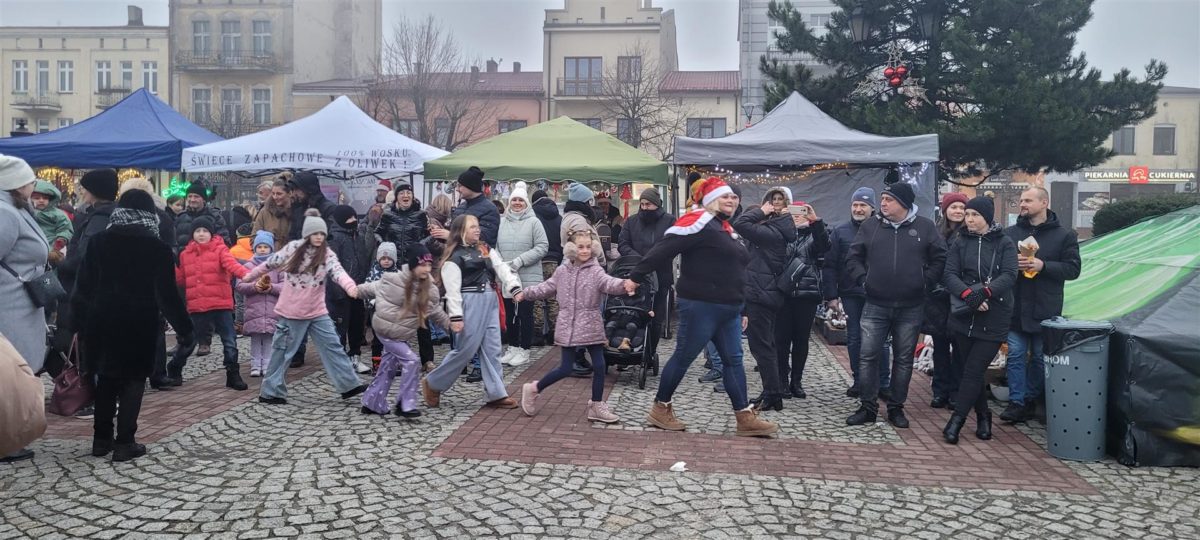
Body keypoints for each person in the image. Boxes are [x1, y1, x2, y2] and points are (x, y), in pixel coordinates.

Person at [631, 177, 778, 437]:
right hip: (701, 305)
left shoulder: (724, 228)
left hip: (729, 307)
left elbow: (737, 269)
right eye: (725, 196)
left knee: (733, 361)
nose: (731, 200)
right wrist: (635, 276)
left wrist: (742, 307)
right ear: (710, 200)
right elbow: (663, 249)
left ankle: (744, 417)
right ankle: (660, 408)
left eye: (734, 196)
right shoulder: (697, 223)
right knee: (683, 357)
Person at [71, 189, 194, 462]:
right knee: (133, 380)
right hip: (139, 321)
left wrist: (78, 323)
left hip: (101, 319)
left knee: (106, 377)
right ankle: (125, 442)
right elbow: (168, 296)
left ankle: (101, 439)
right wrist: (185, 330)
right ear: (150, 215)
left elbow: (82, 288)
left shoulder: (99, 242)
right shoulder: (157, 248)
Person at [845, 182, 946, 429]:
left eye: (888, 199)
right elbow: (853, 256)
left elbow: (940, 257)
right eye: (882, 199)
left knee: (903, 359)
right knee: (868, 355)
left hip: (911, 305)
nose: (883, 203)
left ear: (903, 203)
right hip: (875, 303)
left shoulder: (925, 227)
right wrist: (863, 280)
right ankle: (868, 407)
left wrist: (925, 282)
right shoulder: (870, 226)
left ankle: (896, 408)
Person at [242, 210, 367, 405]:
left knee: (333, 345)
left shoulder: (327, 253)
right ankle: (270, 391)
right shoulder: (292, 249)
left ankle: (348, 384)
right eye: (315, 233)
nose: (319, 237)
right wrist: (249, 276)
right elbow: (268, 264)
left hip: (317, 311)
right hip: (291, 312)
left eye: (322, 234)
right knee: (282, 351)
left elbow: (338, 272)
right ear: (307, 234)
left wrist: (351, 288)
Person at [517, 229, 633, 423]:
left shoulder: (596, 270)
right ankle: (534, 388)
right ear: (571, 249)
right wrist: (526, 293)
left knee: (599, 365)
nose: (585, 250)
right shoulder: (562, 271)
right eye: (580, 247)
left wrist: (625, 284)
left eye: (588, 246)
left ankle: (596, 404)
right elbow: (546, 287)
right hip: (568, 324)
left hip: (591, 322)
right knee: (565, 367)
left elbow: (609, 283)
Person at [421, 214, 524, 410]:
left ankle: (496, 392)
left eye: (477, 226)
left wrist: (514, 287)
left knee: (493, 347)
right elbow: (453, 291)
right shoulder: (454, 257)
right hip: (470, 300)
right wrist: (456, 317)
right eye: (472, 227)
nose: (477, 229)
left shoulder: (484, 248)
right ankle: (434, 383)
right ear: (461, 231)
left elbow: (501, 267)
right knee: (465, 349)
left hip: (490, 298)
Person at [941, 196, 1018, 444]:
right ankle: (984, 416)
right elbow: (949, 274)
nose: (970, 219)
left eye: (975, 215)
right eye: (967, 214)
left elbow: (1009, 275)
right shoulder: (960, 241)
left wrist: (984, 293)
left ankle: (956, 421)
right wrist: (968, 295)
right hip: (965, 314)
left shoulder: (1004, 242)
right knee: (970, 371)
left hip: (995, 315)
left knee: (974, 370)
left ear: (987, 217)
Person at [1001, 187, 1081, 423]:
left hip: (1045, 308)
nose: (1022, 204)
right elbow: (996, 266)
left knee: (1038, 357)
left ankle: (1030, 398)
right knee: (1015, 355)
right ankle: (1016, 402)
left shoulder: (1065, 235)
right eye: (1021, 200)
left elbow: (1073, 269)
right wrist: (1010, 265)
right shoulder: (1010, 234)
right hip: (1015, 307)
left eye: (1028, 200)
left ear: (1044, 202)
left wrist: (1043, 266)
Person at [358, 244, 449, 418]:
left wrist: (450, 325)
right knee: (412, 360)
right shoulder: (395, 279)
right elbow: (372, 287)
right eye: (423, 265)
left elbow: (435, 310)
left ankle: (372, 401)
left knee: (388, 367)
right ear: (413, 265)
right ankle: (405, 404)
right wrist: (355, 290)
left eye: (429, 265)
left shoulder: (428, 288)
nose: (427, 269)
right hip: (386, 330)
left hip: (401, 334)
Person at [0, 157, 51, 462]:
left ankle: (10, 434)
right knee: (8, 375)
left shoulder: (15, 208)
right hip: (9, 305)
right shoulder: (5, 213)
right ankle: (5, 437)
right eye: (30, 181)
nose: (34, 186)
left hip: (21, 303)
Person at [731, 187, 798, 411]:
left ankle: (772, 394)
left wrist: (761, 210)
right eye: (772, 199)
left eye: (779, 200)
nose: (775, 203)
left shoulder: (773, 232)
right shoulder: (777, 229)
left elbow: (740, 223)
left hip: (761, 294)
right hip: (764, 293)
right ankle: (772, 391)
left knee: (762, 346)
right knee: (766, 344)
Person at [822, 187, 891, 398]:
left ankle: (883, 383)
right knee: (854, 338)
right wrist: (831, 296)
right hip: (851, 293)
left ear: (872, 208)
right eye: (855, 204)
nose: (858, 209)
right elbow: (830, 265)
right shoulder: (840, 231)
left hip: (879, 294)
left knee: (880, 339)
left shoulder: (885, 229)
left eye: (863, 205)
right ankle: (859, 380)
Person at [173, 217, 251, 390]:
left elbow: (232, 265)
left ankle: (233, 373)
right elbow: (182, 279)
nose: (201, 234)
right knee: (189, 341)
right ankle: (175, 368)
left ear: (211, 233)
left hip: (220, 304)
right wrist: (170, 267)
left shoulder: (220, 250)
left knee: (229, 341)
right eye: (197, 231)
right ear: (192, 234)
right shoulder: (185, 254)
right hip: (197, 306)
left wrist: (247, 275)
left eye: (205, 231)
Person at [118, 177, 180, 390]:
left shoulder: (118, 217)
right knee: (154, 328)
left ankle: (142, 373)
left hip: (131, 281)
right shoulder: (161, 216)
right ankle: (157, 373)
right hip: (150, 281)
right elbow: (171, 249)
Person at [774, 200, 829, 401]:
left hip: (807, 294)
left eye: (801, 212)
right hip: (783, 293)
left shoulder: (814, 234)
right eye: (793, 213)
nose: (796, 216)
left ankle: (796, 381)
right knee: (781, 339)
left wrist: (816, 222)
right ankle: (781, 380)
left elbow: (824, 246)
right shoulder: (781, 234)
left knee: (801, 340)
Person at [617, 187, 674, 360]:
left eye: (648, 204)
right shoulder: (632, 221)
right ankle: (627, 348)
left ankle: (649, 353)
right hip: (636, 274)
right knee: (630, 313)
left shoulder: (669, 221)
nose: (644, 207)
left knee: (655, 319)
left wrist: (652, 259)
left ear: (656, 204)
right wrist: (640, 261)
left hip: (661, 276)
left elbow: (671, 246)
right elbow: (623, 243)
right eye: (642, 204)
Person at [496, 182, 549, 367]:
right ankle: (512, 347)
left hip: (527, 275)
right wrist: (501, 265)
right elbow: (495, 247)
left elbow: (542, 246)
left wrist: (520, 260)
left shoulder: (534, 222)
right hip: (507, 276)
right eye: (514, 200)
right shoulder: (502, 222)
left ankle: (524, 349)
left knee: (525, 313)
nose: (517, 203)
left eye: (520, 200)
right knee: (510, 313)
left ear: (526, 203)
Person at [927, 192, 968, 409]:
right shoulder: (935, 233)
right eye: (954, 207)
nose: (958, 211)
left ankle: (956, 391)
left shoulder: (969, 234)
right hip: (938, 300)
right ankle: (940, 390)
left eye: (962, 207)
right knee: (940, 347)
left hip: (960, 296)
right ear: (945, 210)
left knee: (959, 348)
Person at [327, 205, 372, 374]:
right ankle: (338, 362)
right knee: (340, 328)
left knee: (357, 326)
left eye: (354, 217)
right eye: (349, 218)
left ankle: (355, 356)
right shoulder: (334, 238)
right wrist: (338, 292)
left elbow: (363, 259)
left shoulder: (358, 236)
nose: (353, 221)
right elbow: (331, 267)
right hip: (340, 291)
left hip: (358, 289)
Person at [234, 231, 282, 377]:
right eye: (259, 247)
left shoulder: (277, 266)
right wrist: (255, 287)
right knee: (255, 340)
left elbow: (285, 286)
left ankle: (267, 365)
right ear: (254, 248)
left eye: (265, 247)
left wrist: (271, 288)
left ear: (271, 248)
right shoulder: (248, 266)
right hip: (254, 310)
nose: (262, 249)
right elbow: (240, 285)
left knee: (268, 339)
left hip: (271, 310)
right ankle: (255, 365)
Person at [529, 189, 563, 346]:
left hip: (536, 261)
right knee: (553, 297)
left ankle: (537, 333)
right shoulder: (559, 217)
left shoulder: (532, 216)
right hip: (554, 261)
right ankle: (554, 333)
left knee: (537, 296)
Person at [365, 242, 401, 367]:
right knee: (378, 339)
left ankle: (393, 363)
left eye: (389, 258)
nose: (386, 261)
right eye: (383, 258)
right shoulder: (373, 274)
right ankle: (377, 364)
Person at [376, 182, 429, 266]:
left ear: (412, 196)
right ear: (396, 197)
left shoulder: (421, 214)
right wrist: (384, 245)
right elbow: (377, 233)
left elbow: (429, 234)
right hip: (393, 263)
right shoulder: (387, 214)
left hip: (414, 262)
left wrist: (421, 245)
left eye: (408, 193)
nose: (405, 195)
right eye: (401, 193)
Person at [445, 166, 500, 247]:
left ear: (471, 186)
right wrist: (438, 232)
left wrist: (451, 236)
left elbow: (484, 238)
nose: (457, 189)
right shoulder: (460, 207)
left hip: (477, 254)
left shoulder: (490, 209)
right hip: (457, 253)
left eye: (460, 185)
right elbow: (452, 230)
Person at [172, 181, 231, 250]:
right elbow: (173, 243)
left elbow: (224, 243)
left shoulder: (215, 217)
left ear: (204, 199)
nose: (192, 199)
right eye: (190, 196)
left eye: (196, 196)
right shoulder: (180, 218)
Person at [286, 171, 337, 240]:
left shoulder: (329, 209)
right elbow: (292, 236)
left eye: (297, 189)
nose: (294, 193)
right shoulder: (298, 210)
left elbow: (331, 237)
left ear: (307, 189)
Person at [31, 180, 72, 256]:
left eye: (45, 198)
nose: (41, 200)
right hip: (32, 245)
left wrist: (62, 238)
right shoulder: (27, 212)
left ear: (50, 200)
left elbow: (65, 228)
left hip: (52, 245)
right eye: (37, 198)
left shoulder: (58, 214)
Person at [251, 177, 292, 252]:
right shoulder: (265, 212)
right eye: (273, 193)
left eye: (279, 194)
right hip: (269, 257)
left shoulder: (297, 211)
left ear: (289, 193)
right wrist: (263, 252)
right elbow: (254, 237)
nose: (275, 197)